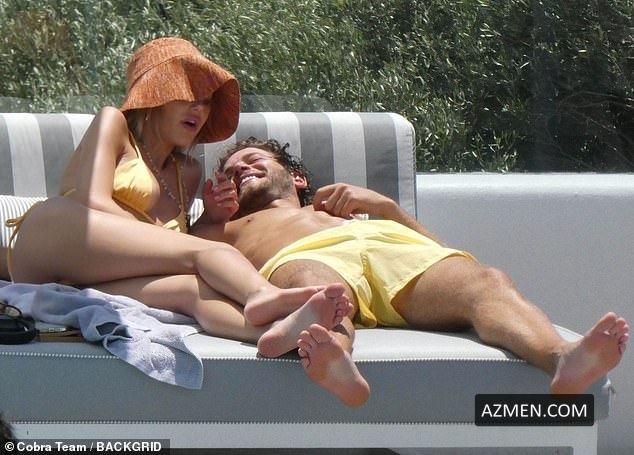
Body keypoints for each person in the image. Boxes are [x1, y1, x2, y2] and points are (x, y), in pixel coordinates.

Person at [191, 136, 629, 407]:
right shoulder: (224, 227)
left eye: (254, 160)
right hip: (305, 257)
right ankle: (336, 360)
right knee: (320, 290)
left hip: (388, 249)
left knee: (486, 280)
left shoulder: (347, 211)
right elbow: (192, 254)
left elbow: (441, 253)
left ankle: (561, 358)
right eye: (231, 171)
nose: (241, 169)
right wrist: (209, 216)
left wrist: (385, 207)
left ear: (297, 179)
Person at [4, 38, 351, 354]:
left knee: (191, 290)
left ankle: (280, 334)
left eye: (206, 102)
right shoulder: (114, 124)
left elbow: (169, 248)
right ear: (155, 95)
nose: (199, 110)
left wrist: (211, 218)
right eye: (189, 97)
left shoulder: (189, 172)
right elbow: (92, 201)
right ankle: (263, 294)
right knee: (210, 253)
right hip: (53, 241)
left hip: (88, 282)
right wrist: (195, 244)